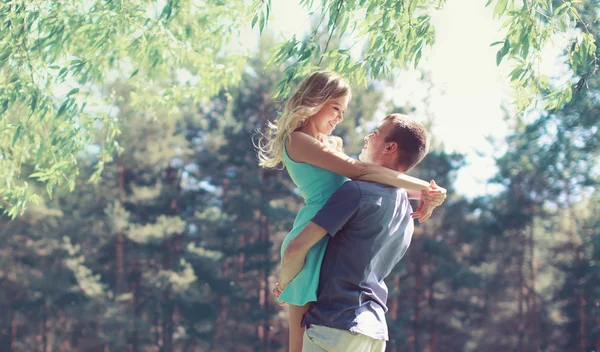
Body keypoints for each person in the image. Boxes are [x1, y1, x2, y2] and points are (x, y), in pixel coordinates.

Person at [257, 71, 445, 352]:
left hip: (329, 230)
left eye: (343, 111)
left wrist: (423, 193)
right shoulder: (297, 140)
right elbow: (361, 172)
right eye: (336, 108)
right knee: (297, 344)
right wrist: (426, 189)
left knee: (306, 332)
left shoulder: (327, 144)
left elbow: (375, 185)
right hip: (313, 235)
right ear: (315, 100)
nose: (340, 118)